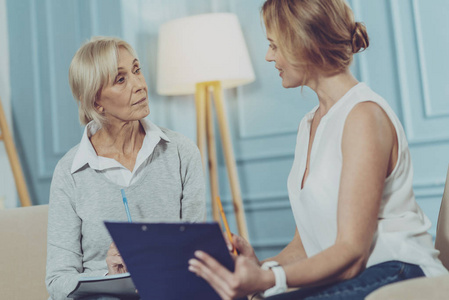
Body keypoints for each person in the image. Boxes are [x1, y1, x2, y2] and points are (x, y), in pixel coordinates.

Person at [188, 0, 448, 299]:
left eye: (275, 45)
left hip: (399, 272)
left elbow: (351, 255)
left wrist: (266, 279)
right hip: (362, 275)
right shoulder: (309, 123)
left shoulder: (363, 116)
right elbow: (305, 245)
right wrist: (259, 268)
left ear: (304, 44)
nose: (268, 56)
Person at [46, 36, 206, 300]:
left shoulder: (180, 152)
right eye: (121, 80)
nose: (140, 85)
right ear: (96, 101)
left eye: (136, 70)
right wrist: (111, 278)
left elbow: (196, 257)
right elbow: (58, 281)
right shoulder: (69, 173)